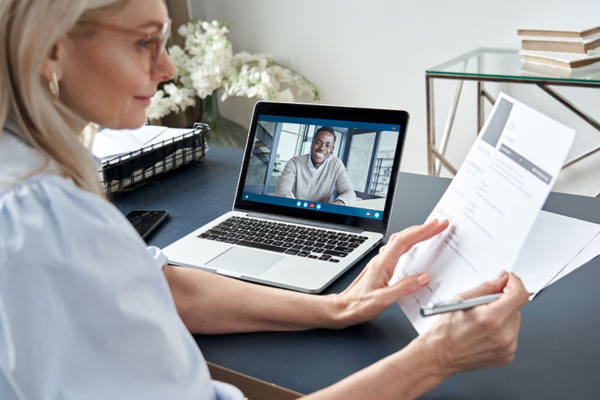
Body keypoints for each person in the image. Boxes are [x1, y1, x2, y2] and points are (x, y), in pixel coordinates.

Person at [0, 0, 530, 399]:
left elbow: (162, 282)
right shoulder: (45, 221)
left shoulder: (30, 179)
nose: (167, 70)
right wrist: (437, 358)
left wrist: (334, 307)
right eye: (146, 42)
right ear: (52, 48)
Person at [275, 126, 356, 205]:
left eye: (327, 146)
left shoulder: (336, 165)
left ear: (332, 150)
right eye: (318, 143)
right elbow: (282, 191)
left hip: (320, 215)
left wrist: (338, 204)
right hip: (294, 211)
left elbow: (350, 194)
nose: (321, 148)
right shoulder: (294, 163)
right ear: (312, 144)